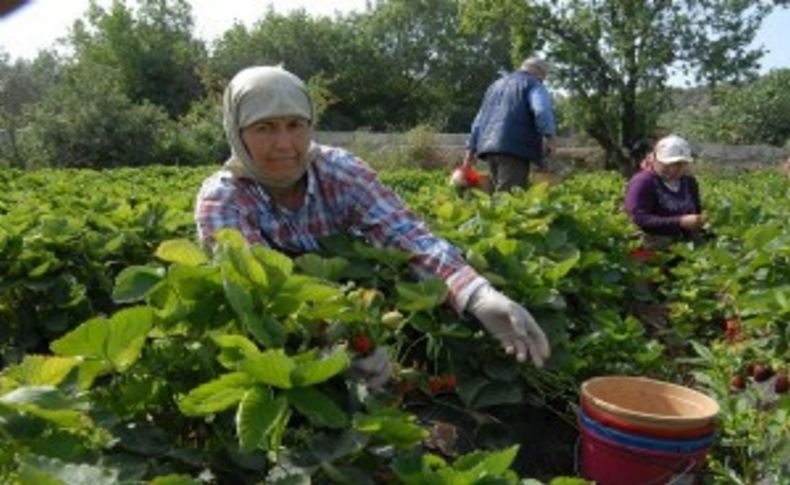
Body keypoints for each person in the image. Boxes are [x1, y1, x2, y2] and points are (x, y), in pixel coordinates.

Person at [195, 66, 550, 389]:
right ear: (236, 132)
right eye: (264, 128)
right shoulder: (223, 199)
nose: (284, 144)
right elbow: (257, 296)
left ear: (311, 124)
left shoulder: (340, 171)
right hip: (278, 352)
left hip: (356, 315)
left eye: (295, 125)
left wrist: (478, 294)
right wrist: (334, 343)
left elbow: (407, 235)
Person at [461, 56, 557, 192]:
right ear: (540, 73)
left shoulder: (494, 86)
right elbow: (541, 110)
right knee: (509, 199)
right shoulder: (533, 84)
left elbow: (478, 122)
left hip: (488, 147)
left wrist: (470, 151)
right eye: (544, 77)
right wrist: (550, 137)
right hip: (514, 147)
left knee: (499, 195)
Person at [624, 134, 705, 249]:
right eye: (667, 165)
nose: (673, 169)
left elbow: (696, 210)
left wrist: (699, 222)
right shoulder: (643, 182)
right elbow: (639, 218)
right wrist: (680, 222)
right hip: (651, 245)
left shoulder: (689, 182)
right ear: (655, 159)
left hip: (685, 244)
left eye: (679, 164)